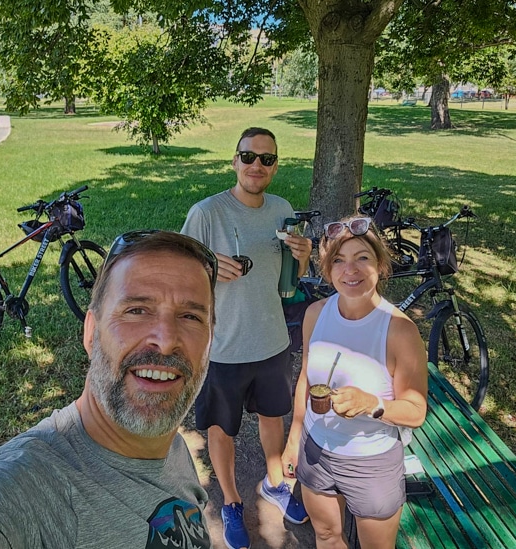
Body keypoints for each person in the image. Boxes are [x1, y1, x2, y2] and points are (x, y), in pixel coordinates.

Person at [0, 230, 218, 549]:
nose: (165, 340)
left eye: (190, 316)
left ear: (210, 341)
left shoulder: (171, 447)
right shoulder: (30, 487)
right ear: (91, 333)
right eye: (136, 310)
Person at [181, 127, 313, 549]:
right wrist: (207, 268)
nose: (257, 165)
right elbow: (180, 276)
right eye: (249, 156)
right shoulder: (206, 213)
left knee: (272, 418)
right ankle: (232, 503)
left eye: (267, 159)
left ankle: (277, 484)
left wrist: (304, 259)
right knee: (222, 427)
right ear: (234, 161)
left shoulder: (282, 209)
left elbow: (293, 281)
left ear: (275, 166)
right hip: (223, 347)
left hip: (273, 339)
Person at [282, 216, 428, 549]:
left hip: (371, 461)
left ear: (380, 263)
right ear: (327, 268)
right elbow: (306, 377)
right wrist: (294, 439)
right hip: (316, 448)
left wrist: (371, 404)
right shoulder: (316, 313)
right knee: (327, 536)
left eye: (362, 258)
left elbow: (416, 411)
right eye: (339, 260)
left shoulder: (399, 330)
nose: (350, 270)